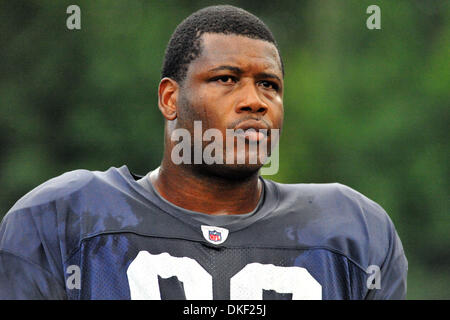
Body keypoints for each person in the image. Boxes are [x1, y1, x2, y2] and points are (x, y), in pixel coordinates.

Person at [0, 5, 407, 300]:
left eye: (270, 85)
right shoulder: (63, 219)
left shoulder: (353, 231)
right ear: (170, 99)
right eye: (227, 79)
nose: (255, 101)